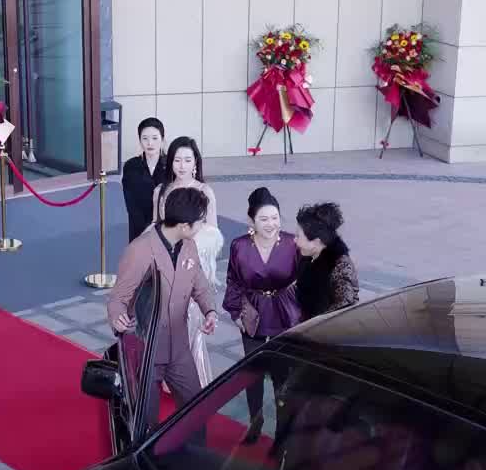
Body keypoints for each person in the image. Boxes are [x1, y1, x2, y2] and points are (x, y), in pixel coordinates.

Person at [107, 185, 216, 420]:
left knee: (196, 409)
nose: (203, 226)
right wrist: (118, 317)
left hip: (179, 347)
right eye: (200, 221)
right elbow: (119, 297)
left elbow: (200, 283)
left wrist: (210, 311)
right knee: (146, 419)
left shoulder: (189, 246)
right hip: (148, 348)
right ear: (184, 226)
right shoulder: (140, 250)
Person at [223, 188, 300, 441]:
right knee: (252, 372)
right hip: (252, 312)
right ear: (252, 221)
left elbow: (305, 279)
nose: (271, 224)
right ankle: (255, 422)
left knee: (282, 375)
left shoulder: (292, 243)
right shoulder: (239, 246)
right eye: (264, 219)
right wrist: (235, 311)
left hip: (284, 313)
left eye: (275, 218)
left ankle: (282, 431)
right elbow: (233, 280)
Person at [153, 136, 223, 387]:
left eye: (187, 160)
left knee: (191, 324)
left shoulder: (205, 192)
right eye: (177, 160)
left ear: (195, 163)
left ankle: (195, 380)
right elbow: (155, 227)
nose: (181, 165)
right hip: (166, 266)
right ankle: (168, 378)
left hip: (193, 267)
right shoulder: (161, 191)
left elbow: (213, 234)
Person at [295, 201, 360, 320]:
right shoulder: (309, 260)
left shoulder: (341, 266)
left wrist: (311, 325)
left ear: (316, 241)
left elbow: (344, 310)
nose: (295, 240)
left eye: (298, 236)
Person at [121, 116, 168, 242]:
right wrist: (145, 228)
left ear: (162, 140)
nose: (150, 143)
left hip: (166, 226)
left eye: (155, 138)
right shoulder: (131, 166)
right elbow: (130, 201)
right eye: (145, 138)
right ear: (140, 140)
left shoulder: (171, 165)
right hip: (138, 226)